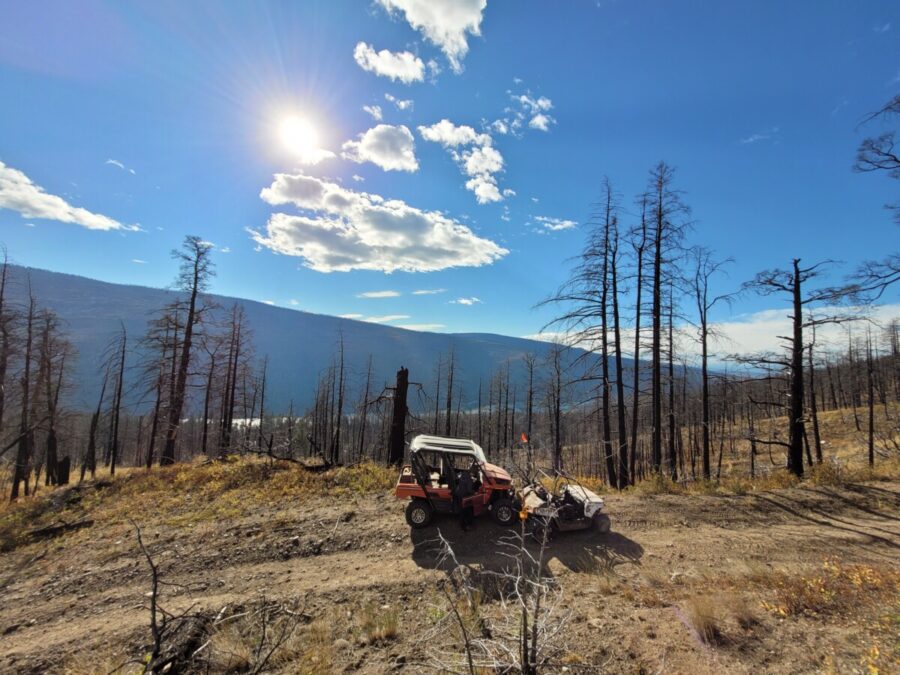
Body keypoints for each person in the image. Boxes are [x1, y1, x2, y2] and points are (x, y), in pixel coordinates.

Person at [454, 467, 475, 531]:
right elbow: (469, 490)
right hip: (465, 496)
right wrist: (474, 492)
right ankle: (465, 527)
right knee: (466, 510)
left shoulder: (463, 475)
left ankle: (462, 524)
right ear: (472, 473)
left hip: (459, 495)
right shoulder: (469, 479)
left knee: (462, 510)